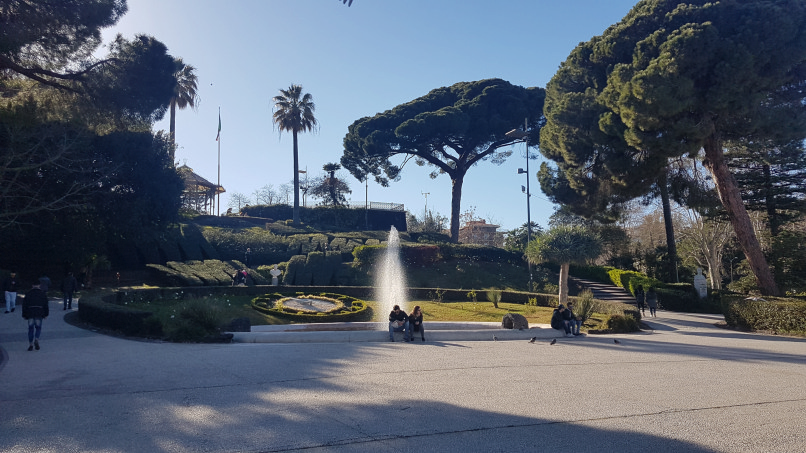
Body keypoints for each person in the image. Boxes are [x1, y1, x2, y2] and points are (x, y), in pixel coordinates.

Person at [22, 282, 49, 351]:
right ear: (39, 285)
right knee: (38, 327)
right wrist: (46, 314)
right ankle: (36, 339)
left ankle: (30, 344)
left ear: (32, 285)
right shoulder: (43, 294)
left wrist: (24, 314)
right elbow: (46, 305)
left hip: (30, 312)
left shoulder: (28, 294)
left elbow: (24, 305)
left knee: (30, 329)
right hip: (39, 312)